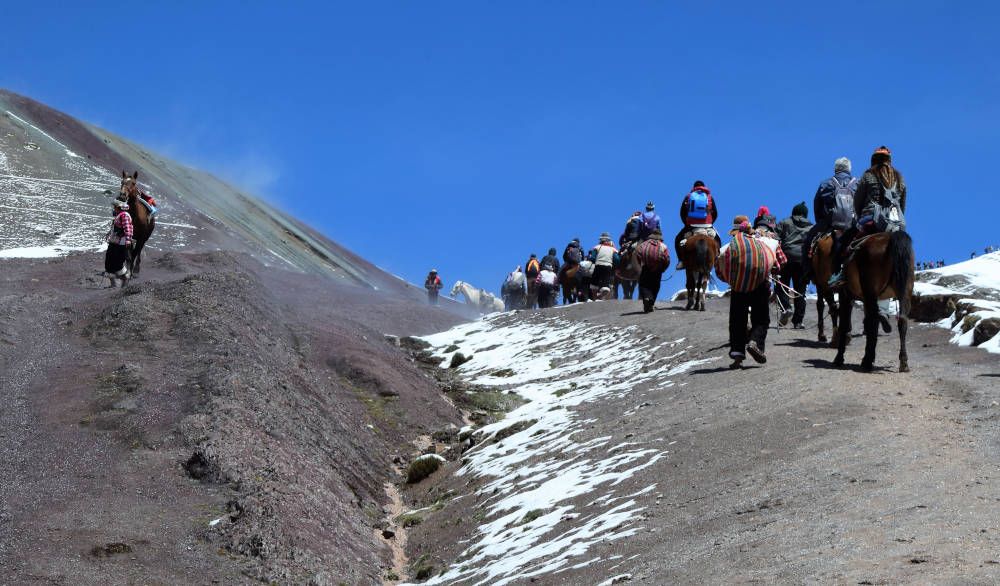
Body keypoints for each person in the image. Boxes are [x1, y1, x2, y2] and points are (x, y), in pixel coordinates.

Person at [829, 146, 907, 286]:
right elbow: (902, 205)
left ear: (873, 160)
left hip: (871, 219)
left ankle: (840, 273)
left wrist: (859, 218)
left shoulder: (868, 175)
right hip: (896, 223)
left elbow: (857, 202)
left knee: (843, 243)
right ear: (889, 160)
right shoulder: (900, 178)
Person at [716, 216, 783, 369]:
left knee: (737, 320)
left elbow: (719, 271)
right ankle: (755, 342)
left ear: (734, 231)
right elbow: (780, 263)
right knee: (761, 319)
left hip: (738, 288)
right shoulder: (765, 242)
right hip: (761, 285)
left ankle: (737, 355)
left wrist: (733, 280)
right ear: (750, 229)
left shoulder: (727, 248)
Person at [803, 157, 856, 277]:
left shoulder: (826, 183)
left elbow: (817, 204)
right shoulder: (857, 183)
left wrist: (821, 222)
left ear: (836, 169)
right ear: (849, 169)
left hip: (830, 223)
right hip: (852, 224)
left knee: (808, 240)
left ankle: (807, 272)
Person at [775, 202, 813, 328]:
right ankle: (798, 321)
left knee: (781, 286)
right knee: (800, 291)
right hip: (802, 261)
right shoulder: (811, 227)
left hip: (785, 258)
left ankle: (786, 308)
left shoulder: (785, 222)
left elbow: (775, 238)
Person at [675, 181, 721, 269]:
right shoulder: (709, 197)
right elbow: (715, 213)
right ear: (704, 187)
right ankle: (717, 261)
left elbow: (682, 213)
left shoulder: (688, 196)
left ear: (694, 187)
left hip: (691, 226)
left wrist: (687, 224)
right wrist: (710, 223)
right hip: (707, 226)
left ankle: (681, 261)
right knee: (718, 240)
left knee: (677, 239)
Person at [635, 229, 671, 312]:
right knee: (655, 286)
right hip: (658, 269)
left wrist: (640, 264)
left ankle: (647, 298)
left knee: (643, 285)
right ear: (660, 237)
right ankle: (651, 302)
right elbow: (667, 259)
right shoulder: (663, 246)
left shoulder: (643, 244)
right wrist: (663, 268)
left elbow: (638, 255)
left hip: (646, 268)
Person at [105, 198, 134, 287]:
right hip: (114, 242)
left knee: (117, 265)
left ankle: (125, 281)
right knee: (109, 263)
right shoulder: (118, 215)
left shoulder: (124, 215)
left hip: (121, 244)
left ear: (118, 207)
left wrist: (128, 240)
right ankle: (113, 285)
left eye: (115, 206)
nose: (114, 208)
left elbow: (127, 229)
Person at [587, 232, 620, 299]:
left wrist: (592, 260)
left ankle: (594, 297)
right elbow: (617, 259)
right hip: (608, 267)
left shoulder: (597, 247)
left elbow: (593, 258)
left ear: (601, 240)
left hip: (598, 265)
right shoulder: (613, 249)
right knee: (606, 285)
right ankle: (602, 295)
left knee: (594, 283)